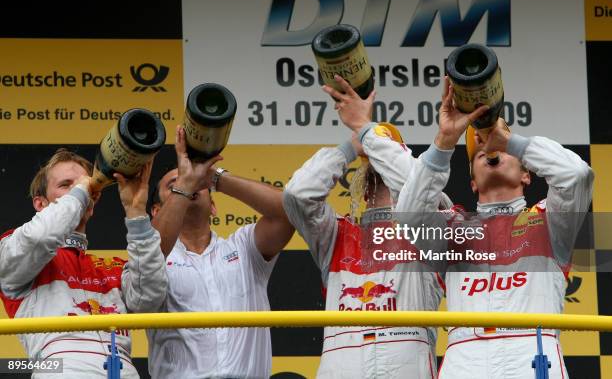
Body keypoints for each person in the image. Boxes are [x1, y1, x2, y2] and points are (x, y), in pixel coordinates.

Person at [282, 75, 486, 378]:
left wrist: (368, 133)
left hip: (405, 361)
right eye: (372, 153)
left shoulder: (433, 220)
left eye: (386, 150)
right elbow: (298, 194)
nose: (377, 157)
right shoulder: (337, 234)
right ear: (361, 188)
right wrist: (351, 145)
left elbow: (417, 189)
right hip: (342, 363)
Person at [393, 77, 594, 378]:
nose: (490, 150)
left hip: (532, 355)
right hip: (466, 358)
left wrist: (512, 141)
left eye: (501, 148)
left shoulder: (550, 221)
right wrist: (444, 142)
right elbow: (408, 217)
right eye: (478, 153)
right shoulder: (453, 228)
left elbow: (577, 175)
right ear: (472, 182)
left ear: (527, 174)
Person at [0, 149, 167, 378]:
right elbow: (40, 237)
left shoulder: (112, 267)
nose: (83, 191)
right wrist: (80, 191)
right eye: (66, 184)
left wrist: (136, 212)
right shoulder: (13, 248)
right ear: (40, 203)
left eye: (88, 186)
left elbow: (149, 300)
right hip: (59, 368)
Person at [147, 126, 294, 379]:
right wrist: (186, 183)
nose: (188, 184)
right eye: (174, 185)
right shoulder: (152, 260)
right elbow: (149, 255)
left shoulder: (244, 246)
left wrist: (214, 177)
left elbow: (288, 211)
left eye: (196, 184)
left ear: (213, 207)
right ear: (156, 213)